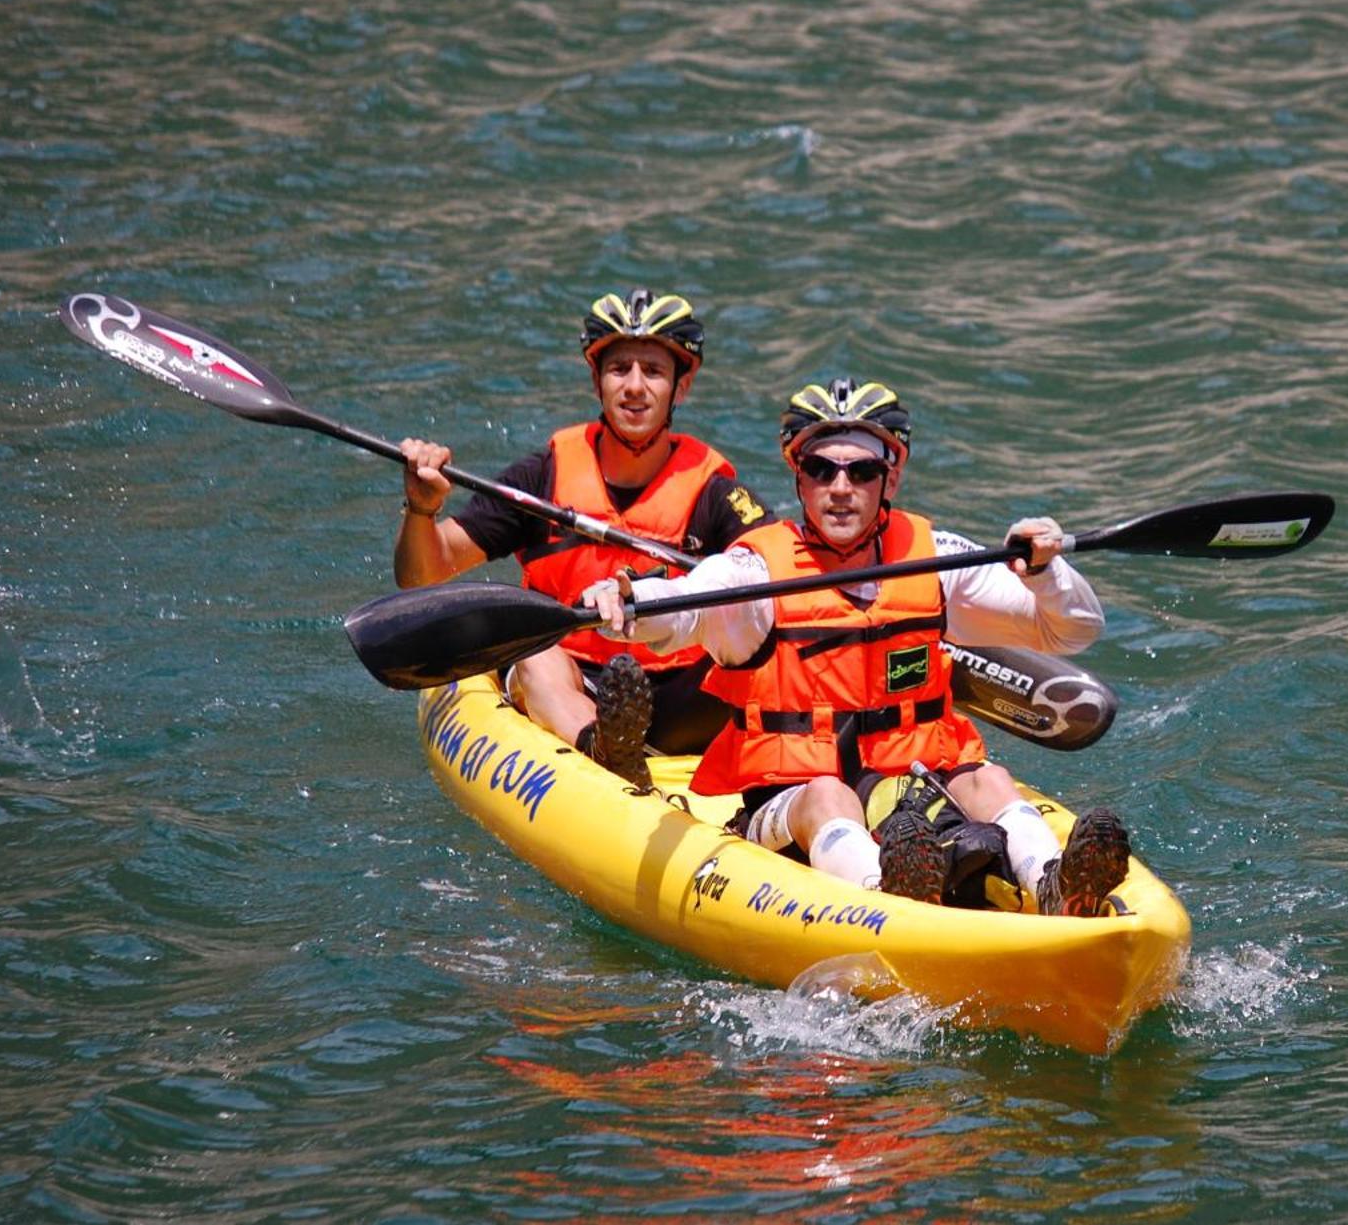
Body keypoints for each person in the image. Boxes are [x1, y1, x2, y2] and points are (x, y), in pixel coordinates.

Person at [582, 378, 1131, 916]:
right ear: (799, 479)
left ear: (889, 480)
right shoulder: (755, 572)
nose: (840, 487)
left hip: (911, 790)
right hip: (791, 808)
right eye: (821, 469)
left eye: (861, 471)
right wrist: (631, 599)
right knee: (828, 793)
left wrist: (1045, 573)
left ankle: (1052, 883)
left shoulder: (936, 560)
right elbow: (685, 606)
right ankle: (885, 896)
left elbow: (1072, 630)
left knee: (987, 778)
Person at [395, 289, 775, 779]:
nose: (635, 387)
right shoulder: (542, 477)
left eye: (654, 372)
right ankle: (600, 749)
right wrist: (421, 510)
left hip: (679, 692)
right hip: (577, 680)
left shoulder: (715, 494)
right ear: (596, 379)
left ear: (682, 386)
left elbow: (775, 570)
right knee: (534, 655)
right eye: (619, 370)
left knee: (762, 651)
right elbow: (422, 574)